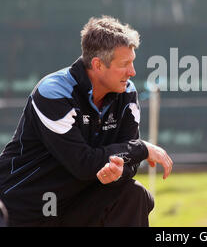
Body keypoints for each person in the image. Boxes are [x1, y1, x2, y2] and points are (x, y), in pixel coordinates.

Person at [0, 15, 173, 226]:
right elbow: (83, 163)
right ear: (98, 65)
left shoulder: (127, 93)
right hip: (23, 209)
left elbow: (128, 161)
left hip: (75, 203)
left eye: (132, 63)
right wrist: (142, 148)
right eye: (124, 64)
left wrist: (118, 171)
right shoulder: (54, 92)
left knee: (133, 195)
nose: (132, 72)